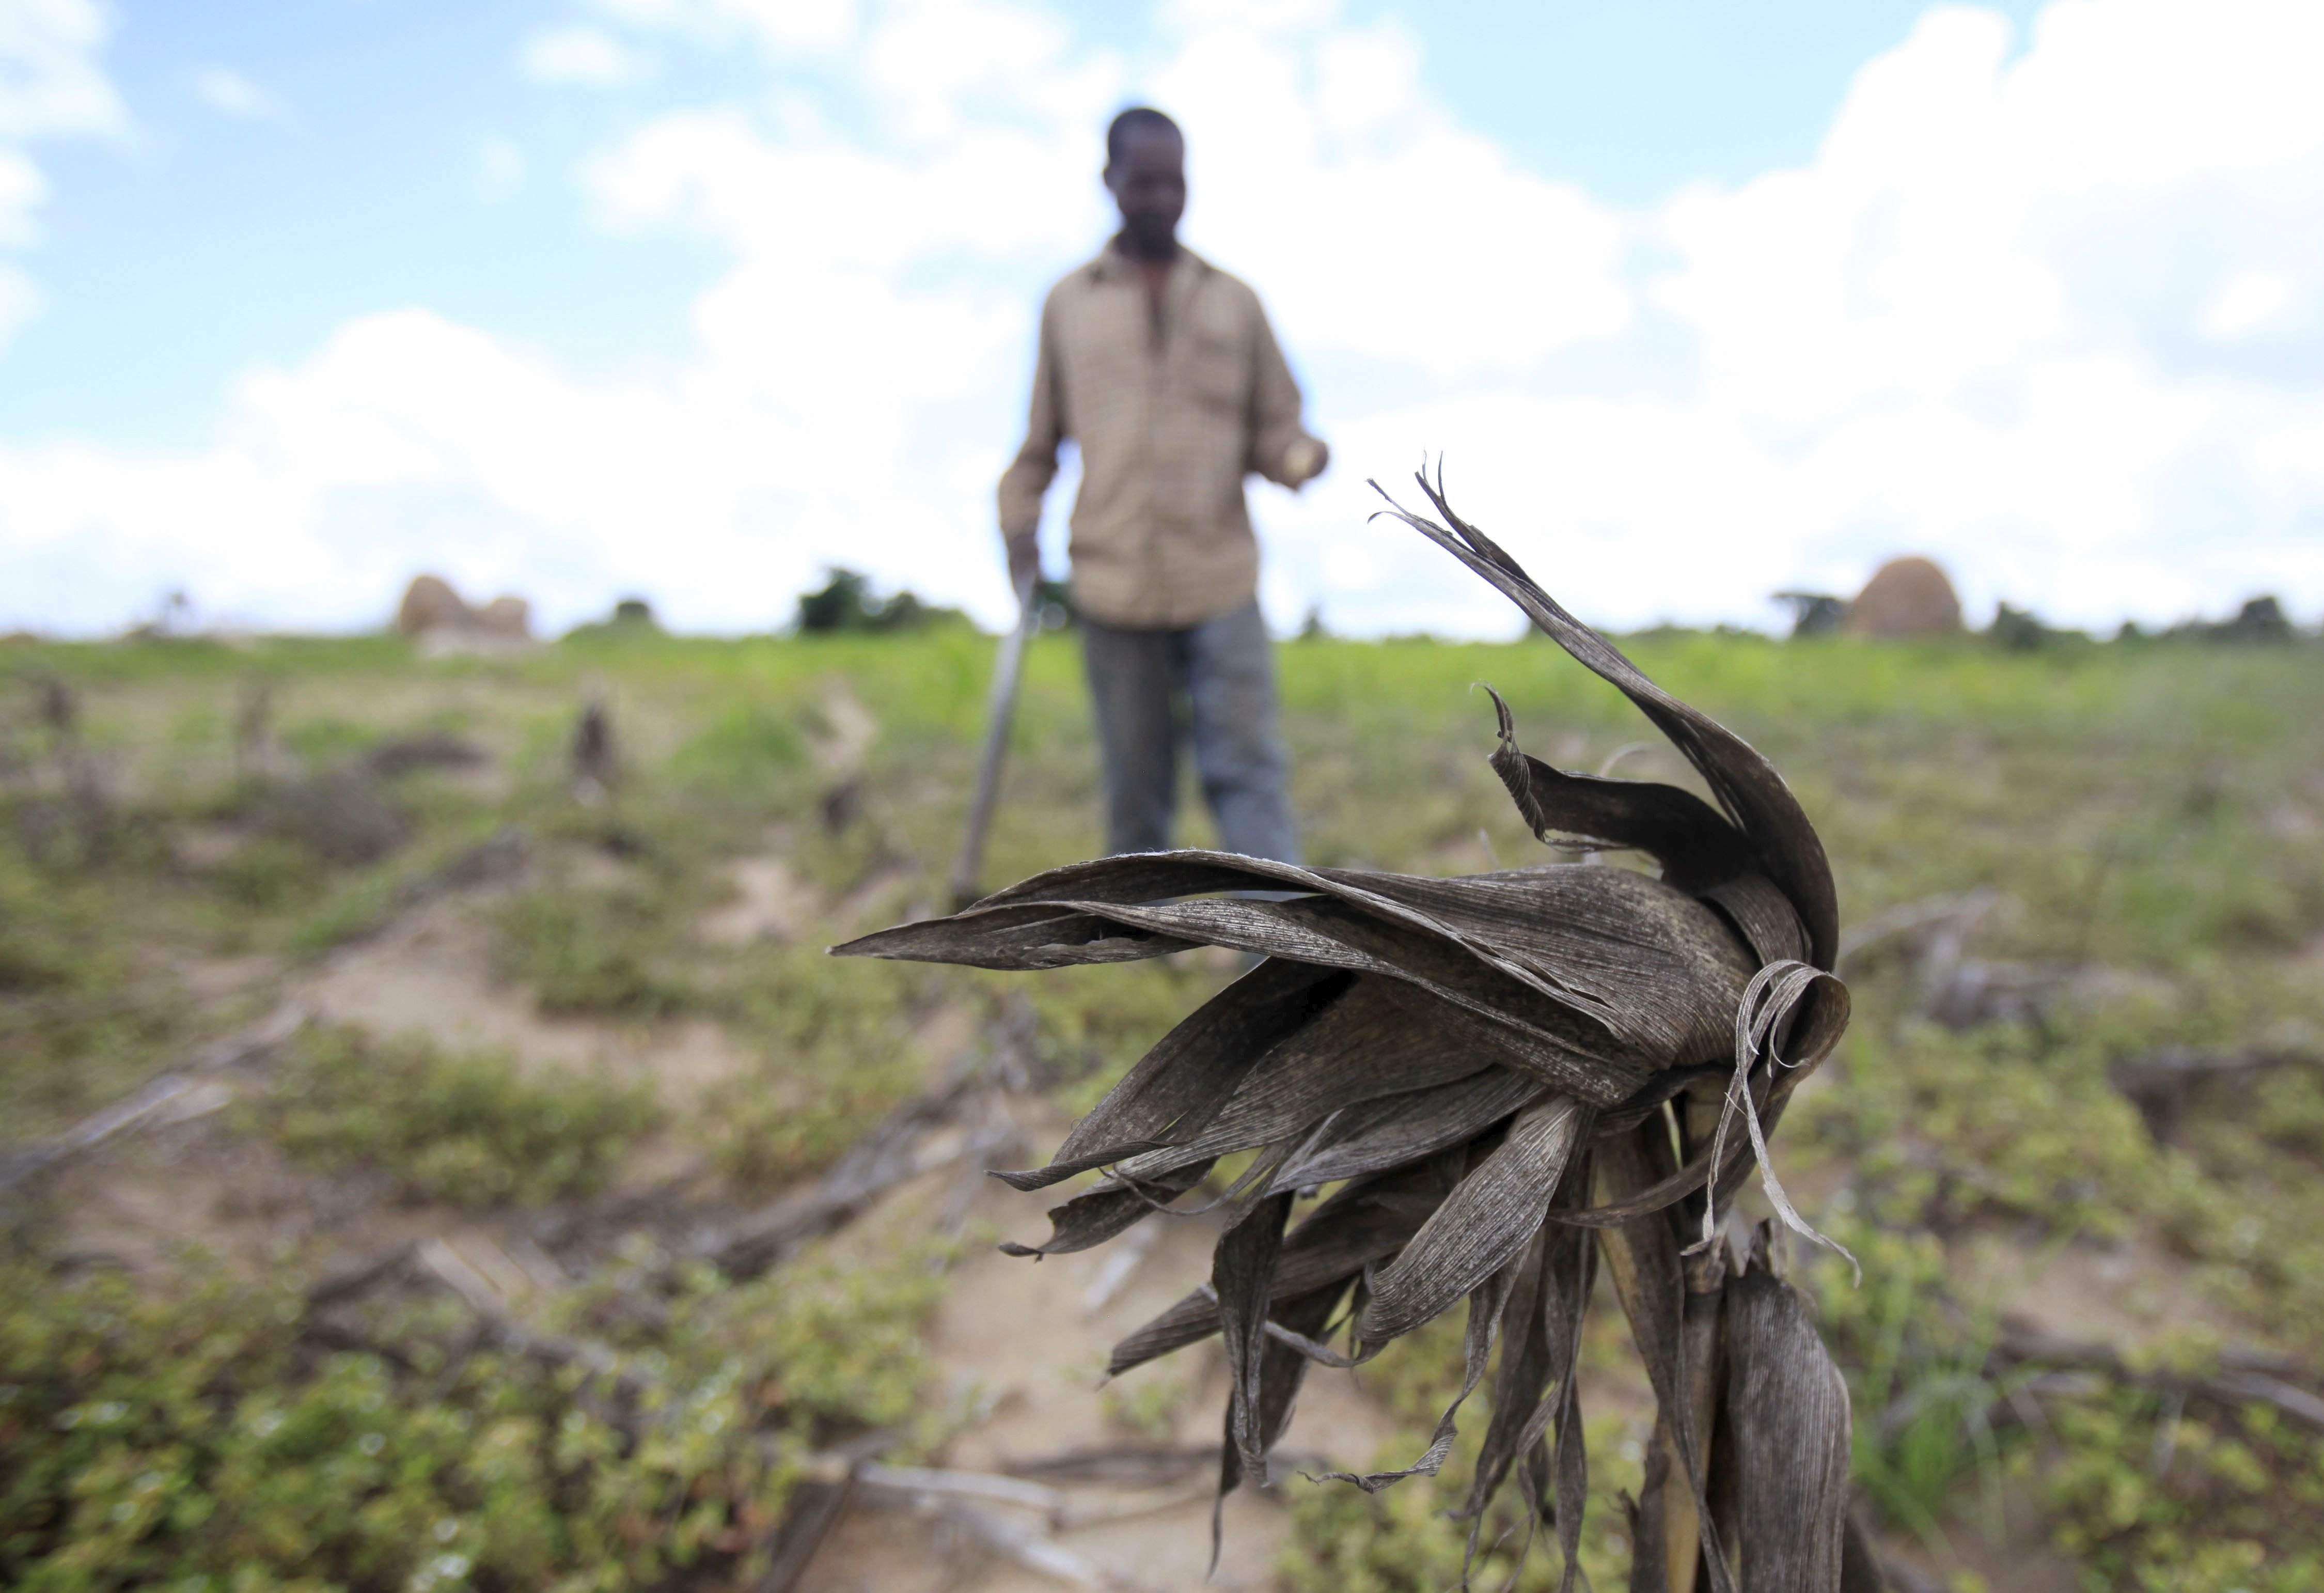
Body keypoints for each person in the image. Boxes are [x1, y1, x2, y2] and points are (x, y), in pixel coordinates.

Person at [998, 105, 1328, 865]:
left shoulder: (1235, 301)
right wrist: (1020, 527)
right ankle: (1140, 952)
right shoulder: (1068, 304)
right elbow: (1039, 447)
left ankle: (1279, 960)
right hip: (1112, 586)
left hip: (1221, 578)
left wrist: (1304, 457)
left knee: (1248, 773)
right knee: (1135, 788)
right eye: (1142, 181)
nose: (1158, 198)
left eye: (1172, 182)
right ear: (1110, 181)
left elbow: (1278, 428)